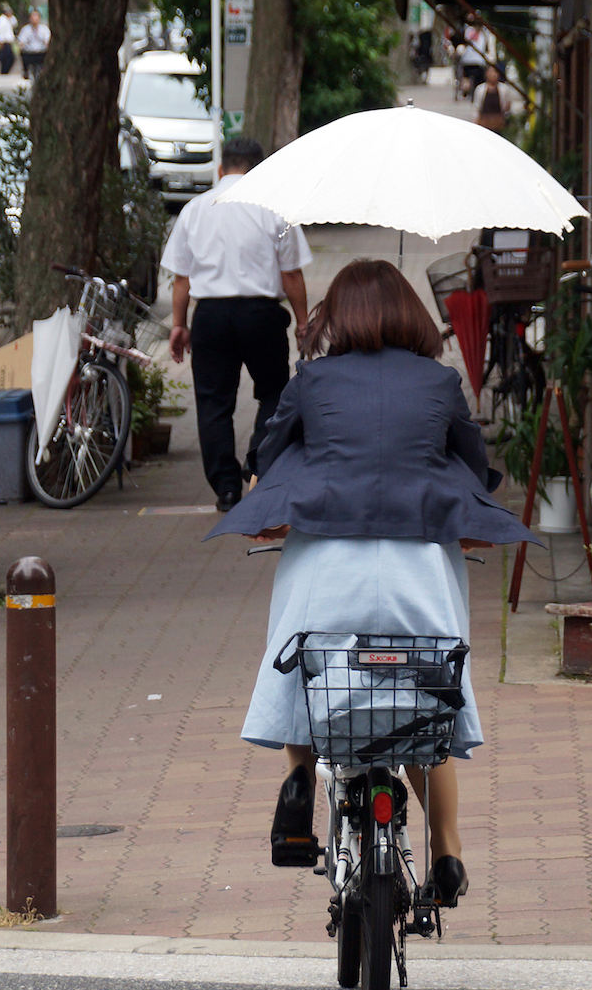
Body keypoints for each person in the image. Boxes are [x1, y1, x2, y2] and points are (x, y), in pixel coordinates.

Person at [205, 259, 541, 906]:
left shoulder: (311, 380)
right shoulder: (441, 384)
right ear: (412, 314)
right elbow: (476, 467)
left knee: (307, 661)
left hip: (327, 569)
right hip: (420, 576)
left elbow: (270, 459)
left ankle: (299, 780)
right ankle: (447, 852)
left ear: (337, 316)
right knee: (424, 711)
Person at [163, 137, 311, 512]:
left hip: (210, 317)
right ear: (259, 169)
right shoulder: (274, 210)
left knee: (213, 403)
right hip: (261, 316)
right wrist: (303, 322)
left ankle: (226, 488)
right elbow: (291, 274)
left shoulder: (194, 210)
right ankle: (258, 462)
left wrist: (179, 324)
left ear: (220, 169)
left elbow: (182, 279)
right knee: (275, 393)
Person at [470, 65, 520, 133]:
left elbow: (507, 107)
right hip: (484, 124)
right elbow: (476, 107)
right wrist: (475, 122)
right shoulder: (480, 89)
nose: (493, 75)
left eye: (495, 72)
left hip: (499, 124)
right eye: (491, 72)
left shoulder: (504, 89)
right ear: (486, 74)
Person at [458, 23, 488, 98]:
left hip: (472, 61)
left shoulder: (468, 30)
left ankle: (466, 88)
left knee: (469, 77)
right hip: (475, 61)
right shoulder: (482, 32)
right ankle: (468, 88)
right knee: (476, 79)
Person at [18, 10, 49, 80]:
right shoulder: (25, 29)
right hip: (29, 52)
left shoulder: (44, 29)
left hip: (41, 52)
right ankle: (25, 71)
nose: (34, 20)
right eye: (32, 18)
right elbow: (22, 40)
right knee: (23, 54)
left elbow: (47, 40)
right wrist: (21, 45)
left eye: (36, 18)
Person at [0, 4, 17, 75]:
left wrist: (11, 17)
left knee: (10, 58)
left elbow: (15, 24)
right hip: (4, 42)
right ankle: (4, 71)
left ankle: (5, 71)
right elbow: (0, 31)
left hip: (9, 42)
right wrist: (0, 41)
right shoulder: (2, 20)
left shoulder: (9, 19)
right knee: (6, 58)